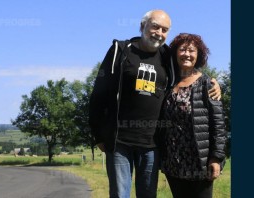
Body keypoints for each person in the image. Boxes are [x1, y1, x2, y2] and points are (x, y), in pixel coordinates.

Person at [89, 10, 221, 198]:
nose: (159, 33)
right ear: (143, 26)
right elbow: (98, 93)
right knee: (119, 194)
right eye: (155, 26)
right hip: (119, 141)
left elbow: (190, 68)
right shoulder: (121, 50)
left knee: (148, 195)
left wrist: (213, 81)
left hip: (151, 144)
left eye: (165, 29)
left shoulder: (167, 56)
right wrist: (98, 135)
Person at [157, 33, 227, 198]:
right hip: (173, 162)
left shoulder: (207, 84)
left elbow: (218, 124)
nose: (186, 54)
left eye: (191, 50)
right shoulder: (168, 83)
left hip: (199, 163)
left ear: (198, 55)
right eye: (182, 49)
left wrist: (216, 158)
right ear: (175, 53)